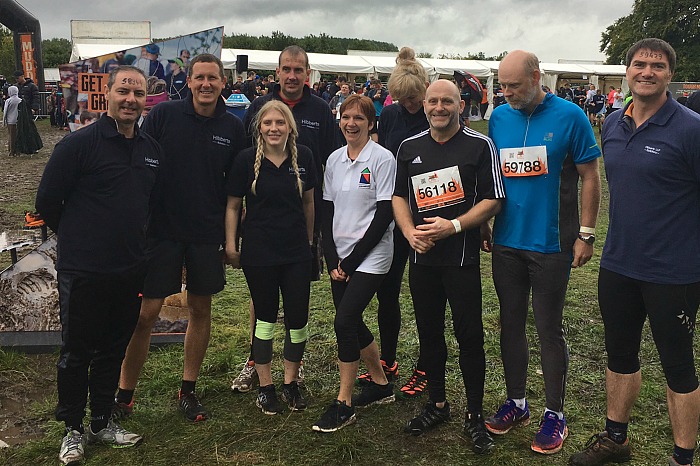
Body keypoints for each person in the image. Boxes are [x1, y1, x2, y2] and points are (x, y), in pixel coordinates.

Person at [570, 38, 700, 466]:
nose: (647, 71)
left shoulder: (690, 128)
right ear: (626, 71)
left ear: (669, 75)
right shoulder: (610, 123)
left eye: (657, 66)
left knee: (678, 365)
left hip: (674, 271)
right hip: (619, 264)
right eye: (639, 64)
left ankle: (683, 458)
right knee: (619, 353)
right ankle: (616, 439)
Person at [35, 65, 159, 465]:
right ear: (107, 94)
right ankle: (72, 428)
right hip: (84, 269)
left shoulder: (150, 150)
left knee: (113, 348)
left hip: (129, 268)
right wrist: (82, 237)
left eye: (138, 93)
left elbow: (149, 206)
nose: (131, 99)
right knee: (76, 352)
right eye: (124, 90)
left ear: (146, 100)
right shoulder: (78, 145)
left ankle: (102, 420)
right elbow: (47, 203)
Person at [484, 50, 601, 455]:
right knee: (510, 322)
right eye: (503, 85)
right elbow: (492, 176)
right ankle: (517, 402)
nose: (507, 92)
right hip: (506, 242)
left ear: (537, 77)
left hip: (552, 244)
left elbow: (590, 175)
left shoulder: (571, 116)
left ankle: (556, 413)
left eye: (514, 85)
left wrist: (586, 234)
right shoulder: (499, 117)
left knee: (548, 327)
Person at [116, 54, 245, 422]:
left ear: (223, 84)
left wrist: (231, 238)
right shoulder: (163, 116)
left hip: (206, 234)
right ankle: (125, 395)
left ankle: (188, 390)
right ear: (188, 81)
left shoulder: (233, 129)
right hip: (161, 231)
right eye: (199, 78)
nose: (206, 85)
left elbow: (235, 193)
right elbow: (138, 166)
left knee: (200, 310)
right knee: (146, 314)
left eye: (213, 79)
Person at [392, 79, 504, 453]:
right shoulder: (409, 147)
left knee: (469, 335)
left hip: (462, 259)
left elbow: (493, 199)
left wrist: (454, 226)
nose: (439, 107)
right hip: (422, 257)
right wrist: (409, 232)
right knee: (429, 333)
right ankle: (437, 403)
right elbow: (397, 196)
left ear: (461, 105)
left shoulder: (479, 145)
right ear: (423, 105)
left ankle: (474, 415)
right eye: (433, 101)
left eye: (447, 101)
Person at [232, 45, 335, 393]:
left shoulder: (320, 111)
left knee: (296, 304)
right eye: (286, 69)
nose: (292, 75)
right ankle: (256, 364)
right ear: (277, 72)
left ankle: (294, 370)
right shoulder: (256, 108)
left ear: (307, 73)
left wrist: (315, 236)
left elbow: (333, 160)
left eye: (299, 70)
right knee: (262, 305)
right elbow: (242, 166)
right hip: (261, 234)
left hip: (297, 229)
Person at [225, 100, 317, 415]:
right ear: (259, 128)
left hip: (295, 253)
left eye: (280, 122)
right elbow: (233, 206)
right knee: (264, 320)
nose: (274, 128)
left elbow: (308, 204)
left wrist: (308, 242)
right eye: (268, 123)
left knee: (298, 320)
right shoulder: (245, 160)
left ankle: (290, 382)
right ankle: (266, 387)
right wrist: (231, 245)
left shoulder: (303, 157)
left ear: (289, 126)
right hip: (259, 253)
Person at [312, 94, 397, 432]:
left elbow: (384, 214)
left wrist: (351, 262)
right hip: (340, 256)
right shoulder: (333, 159)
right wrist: (333, 258)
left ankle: (344, 402)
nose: (351, 123)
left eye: (359, 118)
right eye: (346, 117)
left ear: (371, 123)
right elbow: (327, 210)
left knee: (344, 321)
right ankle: (379, 384)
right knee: (350, 318)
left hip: (371, 255)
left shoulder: (382, 158)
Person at [365, 46, 430, 399]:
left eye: (413, 99)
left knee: (424, 294)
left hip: (427, 215)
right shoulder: (389, 117)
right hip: (393, 212)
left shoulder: (435, 112)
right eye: (401, 100)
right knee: (387, 291)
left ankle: (426, 365)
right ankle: (387, 359)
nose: (409, 105)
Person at [3, 85, 21, 156]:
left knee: (11, 136)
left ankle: (11, 150)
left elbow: (5, 111)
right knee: (17, 135)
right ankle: (17, 150)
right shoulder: (20, 100)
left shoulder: (9, 100)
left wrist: (4, 121)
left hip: (10, 121)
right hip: (18, 120)